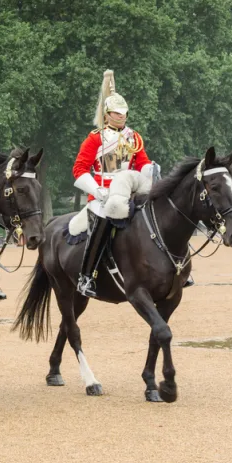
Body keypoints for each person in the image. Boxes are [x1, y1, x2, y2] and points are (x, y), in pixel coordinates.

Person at [72, 70, 159, 298]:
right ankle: (86, 277)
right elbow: (79, 169)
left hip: (129, 190)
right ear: (107, 114)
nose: (122, 117)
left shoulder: (134, 137)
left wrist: (150, 171)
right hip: (103, 194)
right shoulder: (95, 138)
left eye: (124, 113)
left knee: (157, 215)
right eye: (117, 113)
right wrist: (96, 190)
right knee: (102, 222)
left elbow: (142, 162)